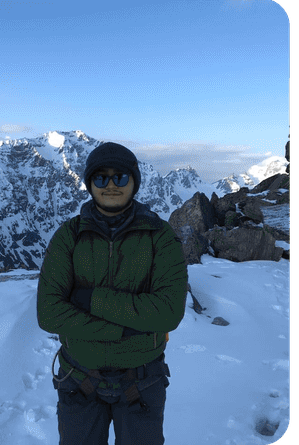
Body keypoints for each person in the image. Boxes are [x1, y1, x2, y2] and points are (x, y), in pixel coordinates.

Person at [37, 143, 187, 444]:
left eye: (119, 177)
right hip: (79, 381)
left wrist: (89, 300)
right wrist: (126, 329)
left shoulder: (161, 237)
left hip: (141, 382)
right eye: (101, 178)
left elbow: (169, 311)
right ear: (90, 183)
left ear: (134, 182)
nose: (110, 185)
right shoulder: (69, 236)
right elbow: (49, 313)